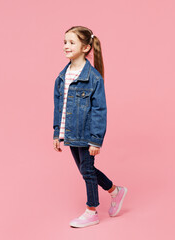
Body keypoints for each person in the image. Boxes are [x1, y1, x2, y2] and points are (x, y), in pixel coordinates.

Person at [53, 26, 128, 228]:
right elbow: (59, 105)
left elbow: (99, 110)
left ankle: (91, 211)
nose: (66, 46)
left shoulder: (93, 78)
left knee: (87, 171)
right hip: (70, 133)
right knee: (86, 170)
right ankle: (115, 191)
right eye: (65, 42)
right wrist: (56, 133)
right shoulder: (62, 76)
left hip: (86, 134)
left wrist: (95, 139)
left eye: (71, 42)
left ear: (86, 47)